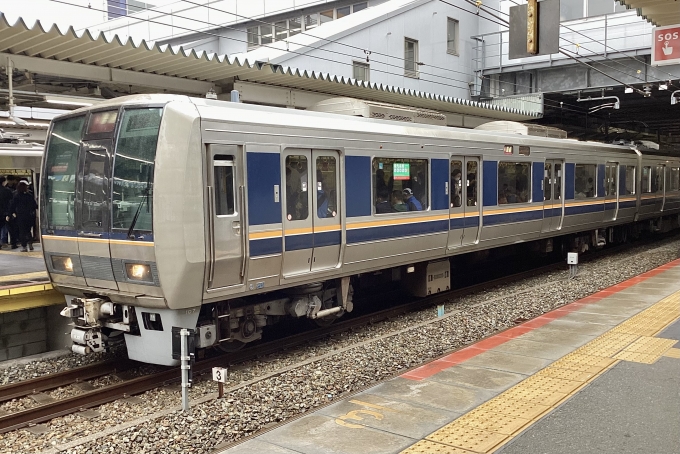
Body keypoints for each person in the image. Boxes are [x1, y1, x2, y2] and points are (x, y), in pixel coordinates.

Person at [6, 181, 37, 252]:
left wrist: (9, 214)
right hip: (29, 216)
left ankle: (24, 246)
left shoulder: (16, 196)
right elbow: (34, 205)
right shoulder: (29, 195)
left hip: (20, 216)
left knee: (22, 231)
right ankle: (30, 244)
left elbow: (12, 206)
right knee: (28, 231)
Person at [0, 176, 12, 249]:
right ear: (3, 182)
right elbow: (10, 202)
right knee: (4, 227)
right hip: (4, 212)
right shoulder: (7, 191)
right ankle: (3, 241)